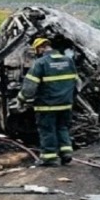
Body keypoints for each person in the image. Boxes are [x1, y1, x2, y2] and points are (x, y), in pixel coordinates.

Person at [17, 37, 78, 167]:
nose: (36, 53)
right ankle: (66, 153)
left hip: (47, 106)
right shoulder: (68, 61)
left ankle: (49, 158)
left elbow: (29, 88)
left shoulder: (40, 63)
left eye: (36, 50)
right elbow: (76, 83)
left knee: (47, 130)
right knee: (62, 128)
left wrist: (21, 99)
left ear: (40, 48)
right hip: (66, 104)